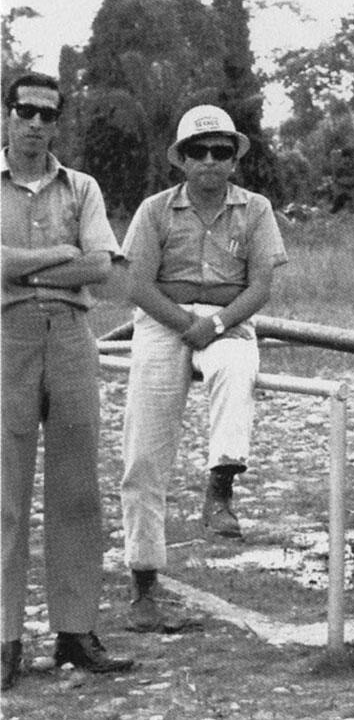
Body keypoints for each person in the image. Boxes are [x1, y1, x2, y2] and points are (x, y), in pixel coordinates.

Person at [120, 105, 287, 633]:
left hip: (228, 317)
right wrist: (183, 324)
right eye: (199, 151)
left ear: (234, 159)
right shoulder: (154, 211)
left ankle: (222, 482)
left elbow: (260, 286)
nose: (210, 161)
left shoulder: (256, 210)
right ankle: (143, 582)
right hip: (161, 320)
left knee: (237, 368)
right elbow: (137, 284)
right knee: (144, 449)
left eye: (221, 151)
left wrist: (214, 327)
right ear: (182, 160)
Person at [2, 72, 135, 691]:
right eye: (24, 110)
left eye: (46, 114)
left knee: (77, 488)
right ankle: (5, 639)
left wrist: (21, 268)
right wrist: (60, 257)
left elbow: (102, 267)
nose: (34, 123)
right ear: (7, 115)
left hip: (74, 341)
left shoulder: (81, 187)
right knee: (5, 490)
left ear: (58, 123)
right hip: (8, 341)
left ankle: (76, 631)